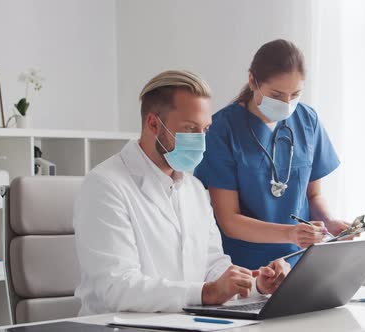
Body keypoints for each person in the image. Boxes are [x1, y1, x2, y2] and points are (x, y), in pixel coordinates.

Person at [73, 70, 289, 315]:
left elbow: (212, 266)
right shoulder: (105, 185)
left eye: (205, 130)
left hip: (183, 322)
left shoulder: (194, 188)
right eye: (190, 129)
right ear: (153, 123)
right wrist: (206, 293)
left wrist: (256, 284)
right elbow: (116, 287)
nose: (200, 141)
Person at [194, 39, 349, 270]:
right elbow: (229, 221)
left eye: (295, 94)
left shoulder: (308, 121)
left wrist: (329, 222)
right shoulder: (222, 129)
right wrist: (291, 233)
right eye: (276, 95)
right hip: (246, 268)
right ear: (252, 81)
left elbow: (313, 196)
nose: (287, 104)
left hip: (300, 263)